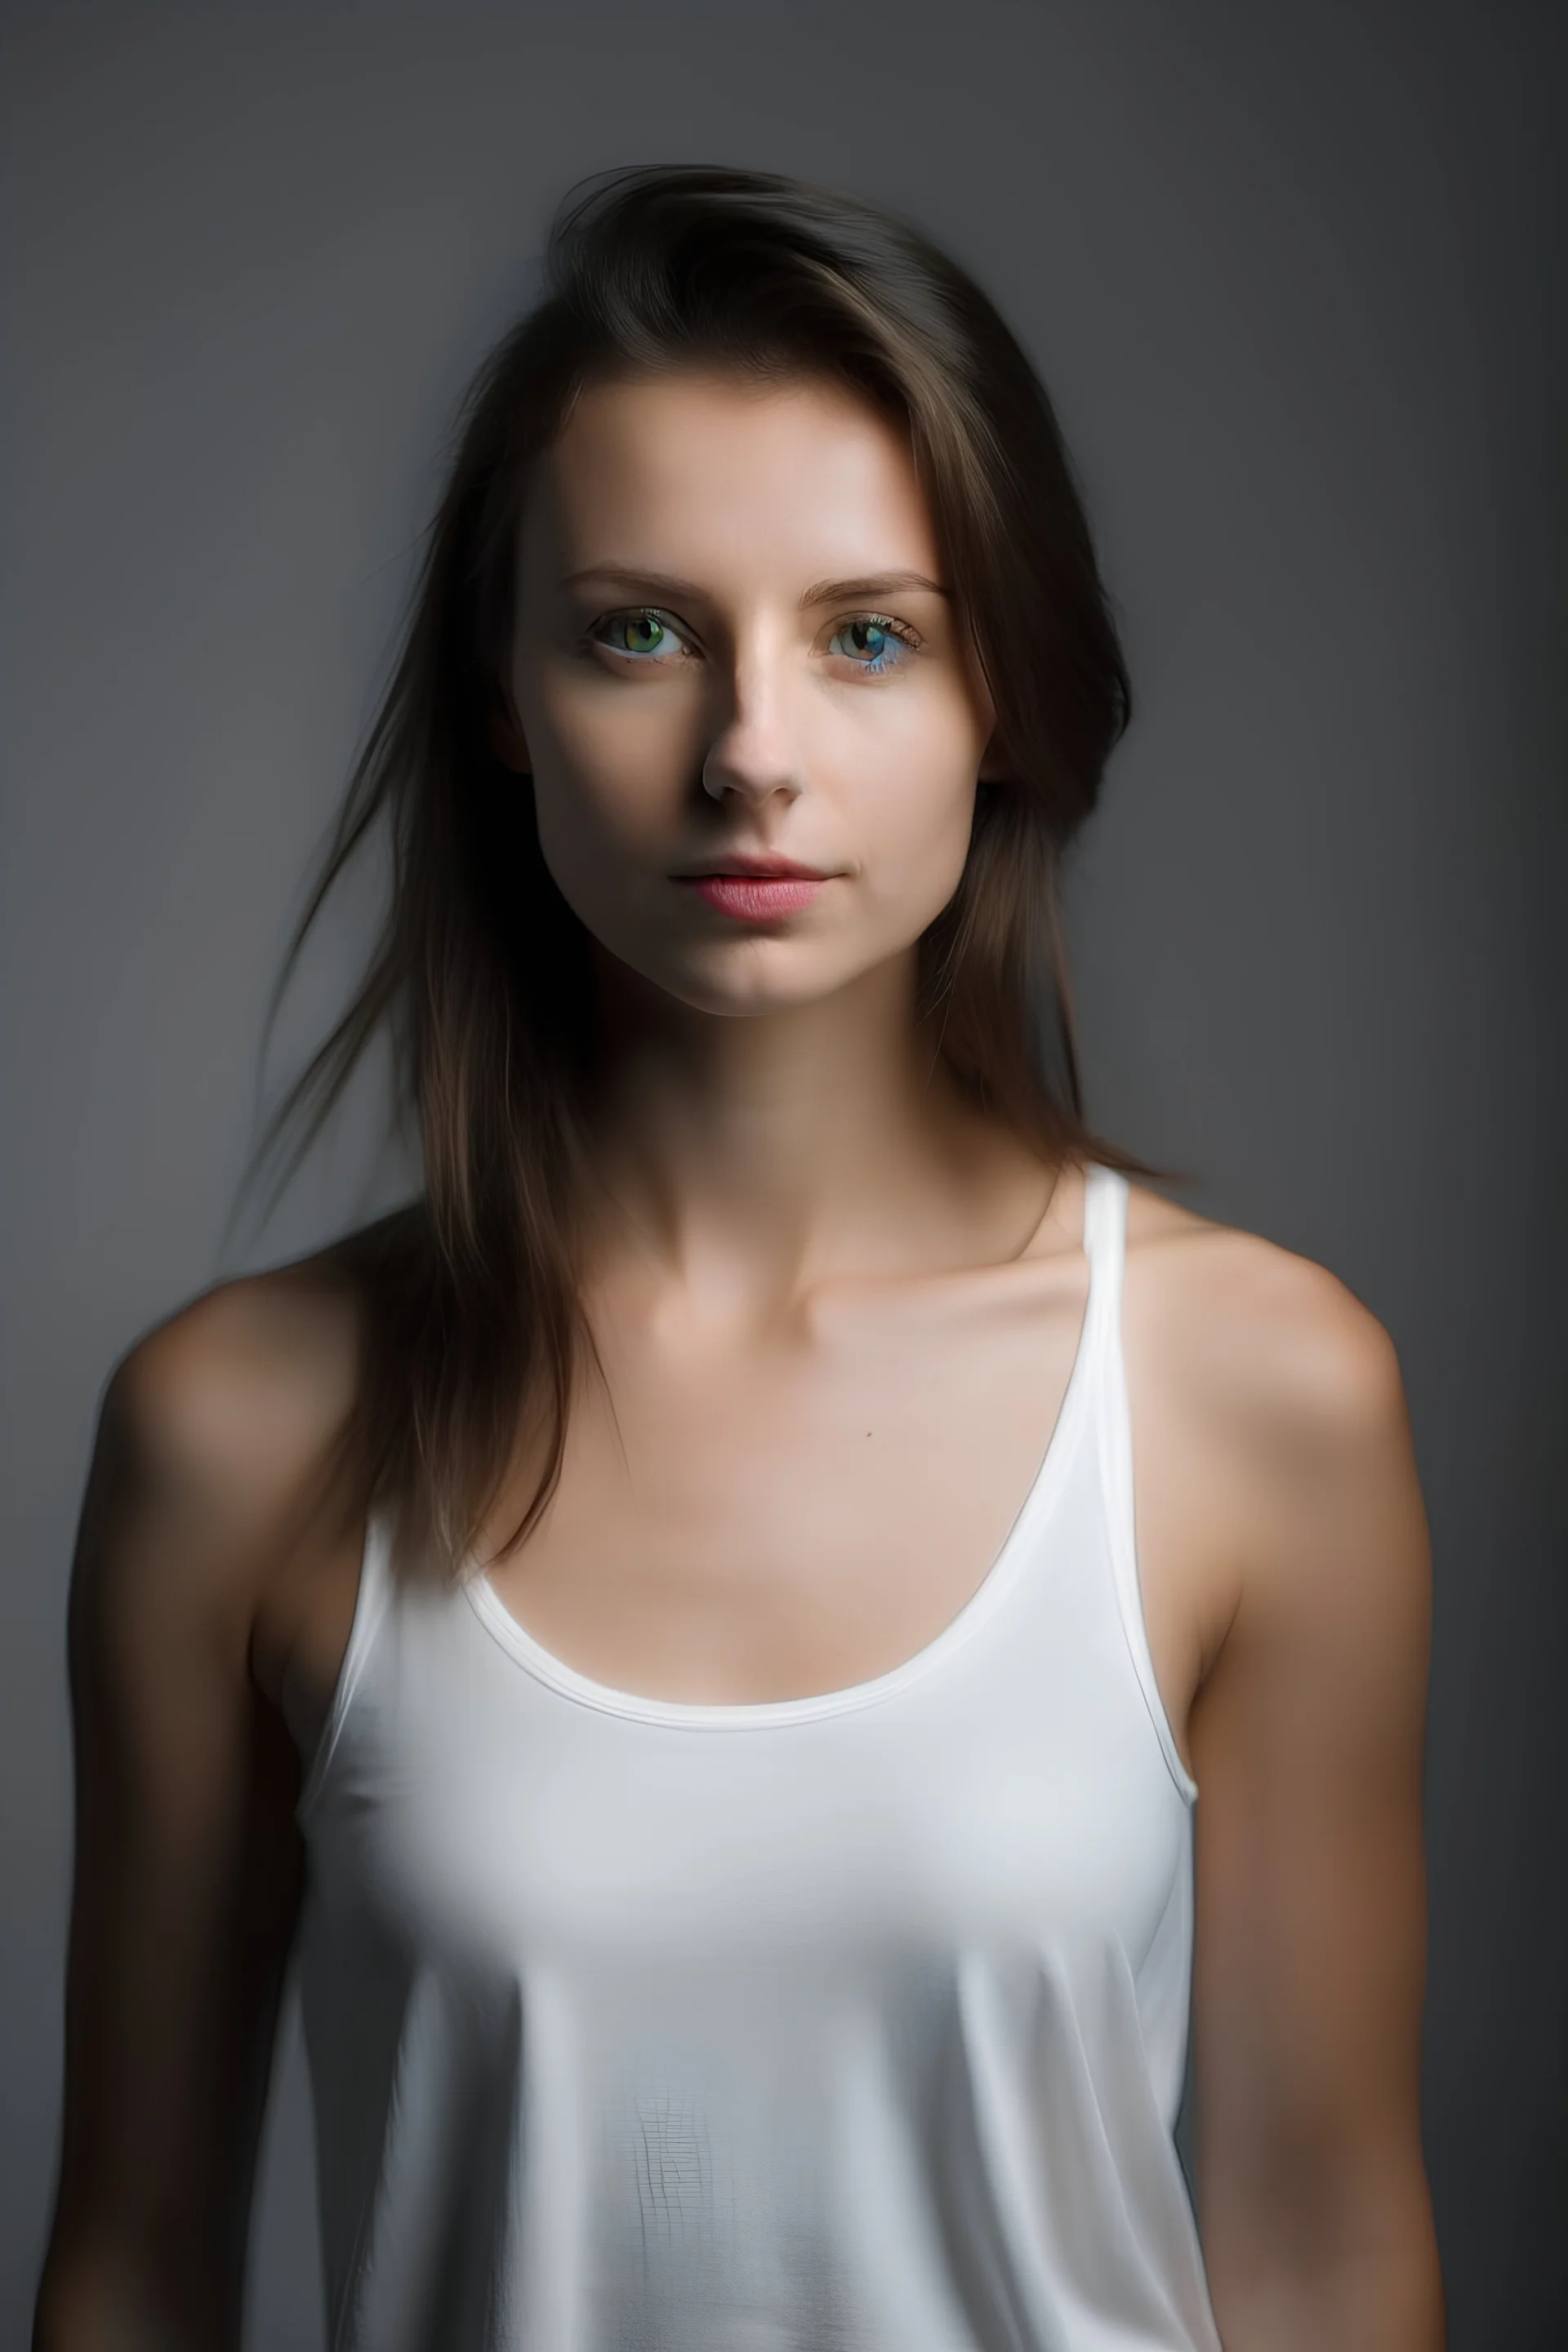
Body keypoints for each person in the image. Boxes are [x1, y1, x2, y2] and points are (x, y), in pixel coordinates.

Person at [33, 165, 1443, 2351]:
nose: (752, 758)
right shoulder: (237, 1432)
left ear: (1004, 699)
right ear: (504, 696)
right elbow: (132, 2264)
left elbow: (1326, 2241)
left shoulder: (1256, 1395)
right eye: (639, 630)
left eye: (870, 634)